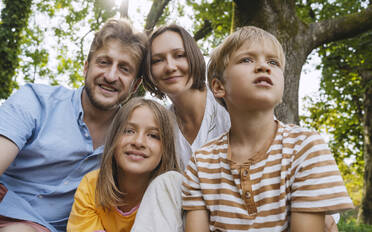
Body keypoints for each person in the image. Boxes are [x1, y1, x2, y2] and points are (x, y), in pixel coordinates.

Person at [182, 26, 354, 231]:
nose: (263, 67)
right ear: (219, 87)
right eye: (247, 60)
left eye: (273, 62)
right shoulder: (200, 164)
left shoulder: (307, 148)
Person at [0, 18, 147, 232]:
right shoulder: (36, 101)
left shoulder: (130, 141)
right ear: (86, 67)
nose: (111, 76)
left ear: (135, 85)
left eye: (124, 69)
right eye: (104, 62)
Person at [67, 98, 181, 232]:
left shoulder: (173, 192)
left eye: (153, 135)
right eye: (129, 131)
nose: (138, 142)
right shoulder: (91, 187)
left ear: (166, 148)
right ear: (113, 138)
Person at [143, 24, 230, 169]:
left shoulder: (229, 102)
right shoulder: (162, 128)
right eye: (157, 60)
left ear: (193, 56)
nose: (170, 67)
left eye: (179, 55)